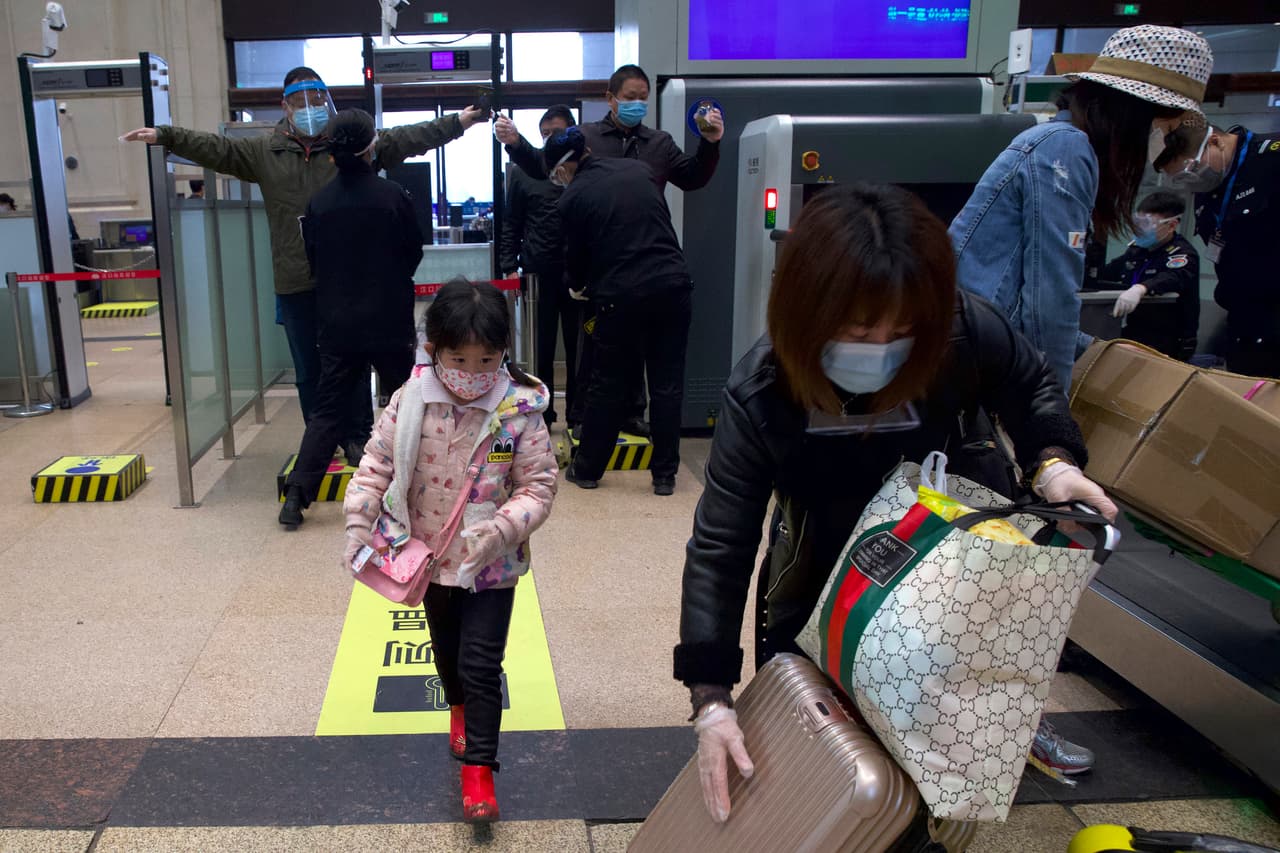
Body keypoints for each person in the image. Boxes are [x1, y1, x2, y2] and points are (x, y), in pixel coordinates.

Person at [675, 184, 1120, 823]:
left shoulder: (959, 328)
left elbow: (1028, 382)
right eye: (858, 328)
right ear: (808, 313)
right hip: (823, 534)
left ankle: (1007, 730)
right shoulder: (763, 388)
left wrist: (1053, 463)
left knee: (960, 657)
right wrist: (711, 699)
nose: (881, 344)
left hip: (945, 518)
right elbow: (722, 543)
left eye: (902, 330)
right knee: (811, 683)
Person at [122, 67, 488, 459]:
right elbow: (216, 149)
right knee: (310, 371)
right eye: (301, 102)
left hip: (348, 281)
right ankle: (321, 443)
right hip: (297, 280)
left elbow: (410, 137)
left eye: (318, 100)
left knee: (352, 365)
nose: (311, 109)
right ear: (285, 106)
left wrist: (459, 121)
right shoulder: (264, 152)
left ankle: (357, 437)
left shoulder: (348, 142)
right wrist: (166, 135)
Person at [342, 279, 558, 823]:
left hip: (493, 563)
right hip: (431, 558)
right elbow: (377, 465)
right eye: (458, 357)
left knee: (483, 662)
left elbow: (538, 484)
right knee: (448, 652)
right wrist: (358, 518)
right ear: (433, 349)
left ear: (504, 351)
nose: (471, 372)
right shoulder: (410, 402)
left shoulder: (518, 412)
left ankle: (480, 772)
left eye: (486, 359)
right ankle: (456, 706)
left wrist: (504, 529)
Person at [950, 25, 1212, 391]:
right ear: (1135, 115)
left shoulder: (1062, 145)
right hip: (974, 353)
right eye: (1164, 129)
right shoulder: (1065, 150)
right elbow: (1050, 301)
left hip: (978, 344)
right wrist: (1052, 411)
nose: (1162, 143)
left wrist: (1107, 355)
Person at [496, 64, 725, 438]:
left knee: (643, 358)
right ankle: (580, 418)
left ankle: (636, 419)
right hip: (600, 266)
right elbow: (542, 165)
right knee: (597, 351)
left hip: (646, 260)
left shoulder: (660, 144)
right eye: (630, 97)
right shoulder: (585, 138)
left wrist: (710, 143)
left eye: (642, 98)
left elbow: (694, 177)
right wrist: (516, 143)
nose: (637, 104)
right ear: (611, 98)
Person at [279, 109, 424, 528]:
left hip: (338, 323)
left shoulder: (319, 202)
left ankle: (295, 499)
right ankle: (415, 491)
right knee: (407, 406)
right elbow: (411, 253)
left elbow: (313, 260)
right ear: (369, 147)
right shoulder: (393, 196)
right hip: (389, 321)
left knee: (328, 412)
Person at [550, 128, 694, 496]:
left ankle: (587, 470)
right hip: (674, 286)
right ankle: (664, 476)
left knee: (608, 382)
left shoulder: (574, 198)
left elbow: (577, 262)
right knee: (667, 384)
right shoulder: (638, 170)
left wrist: (578, 284)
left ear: (565, 168)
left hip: (622, 295)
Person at [1154, 120, 1280, 377]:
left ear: (1214, 142)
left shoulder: (1272, 160)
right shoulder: (1210, 186)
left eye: (1191, 171)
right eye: (1180, 179)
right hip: (1243, 329)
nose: (1191, 183)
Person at [499, 104, 579, 428]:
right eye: (544, 134)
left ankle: (578, 415)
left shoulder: (583, 171)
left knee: (579, 350)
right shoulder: (523, 173)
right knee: (540, 349)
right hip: (537, 274)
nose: (549, 139)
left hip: (578, 274)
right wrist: (509, 266)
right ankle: (542, 414)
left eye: (556, 133)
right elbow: (511, 223)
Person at [1100, 191, 1200, 361]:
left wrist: (1142, 288)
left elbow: (1173, 277)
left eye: (1147, 224)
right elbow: (1109, 271)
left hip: (1168, 340)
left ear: (1171, 225)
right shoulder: (1137, 251)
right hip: (1134, 334)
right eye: (1138, 222)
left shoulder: (1182, 254)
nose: (1140, 229)